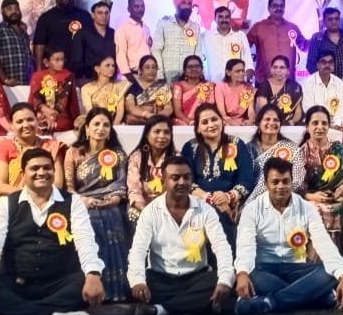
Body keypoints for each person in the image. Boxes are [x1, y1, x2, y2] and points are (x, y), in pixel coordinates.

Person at [0, 148, 104, 315]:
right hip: (18, 283)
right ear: (23, 174)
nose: (41, 172)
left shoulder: (73, 202)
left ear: (54, 172)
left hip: (60, 283)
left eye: (47, 168)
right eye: (34, 168)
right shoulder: (5, 205)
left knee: (87, 283)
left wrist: (93, 275)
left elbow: (85, 240)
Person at [233, 158, 343, 315]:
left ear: (292, 182)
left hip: (297, 269)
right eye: (275, 182)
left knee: (332, 271)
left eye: (285, 181)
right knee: (251, 275)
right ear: (266, 184)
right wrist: (242, 273)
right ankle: (317, 297)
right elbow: (245, 246)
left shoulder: (307, 208)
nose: (281, 186)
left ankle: (269, 302)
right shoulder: (252, 209)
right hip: (265, 270)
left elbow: (324, 243)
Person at [127, 155, 234, 315]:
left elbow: (221, 246)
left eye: (186, 177)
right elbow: (138, 250)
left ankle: (159, 310)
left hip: (196, 278)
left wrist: (224, 281)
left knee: (223, 280)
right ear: (164, 181)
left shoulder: (205, 210)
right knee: (134, 285)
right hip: (161, 280)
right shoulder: (150, 212)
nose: (182, 182)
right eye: (175, 178)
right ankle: (194, 305)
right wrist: (138, 282)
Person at [64, 108, 131, 302]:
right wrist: (83, 200)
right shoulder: (74, 153)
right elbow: (68, 188)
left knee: (115, 216)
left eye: (106, 125)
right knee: (90, 220)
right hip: (82, 203)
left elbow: (122, 182)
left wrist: (115, 198)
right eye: (96, 124)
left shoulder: (118, 154)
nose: (101, 128)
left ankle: (116, 291)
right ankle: (90, 287)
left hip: (112, 204)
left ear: (110, 130)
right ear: (87, 128)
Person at [181, 103, 255, 243]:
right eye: (204, 122)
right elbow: (186, 181)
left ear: (222, 120)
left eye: (214, 119)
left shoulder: (237, 144)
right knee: (213, 212)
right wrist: (210, 199)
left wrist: (228, 196)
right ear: (198, 128)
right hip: (198, 202)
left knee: (224, 216)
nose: (211, 125)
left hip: (230, 203)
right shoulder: (190, 147)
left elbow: (246, 179)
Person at [296, 106, 343, 246]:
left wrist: (338, 195)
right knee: (314, 208)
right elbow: (297, 185)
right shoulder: (301, 152)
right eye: (315, 123)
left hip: (336, 197)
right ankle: (314, 254)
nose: (320, 127)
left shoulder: (338, 149)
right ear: (307, 127)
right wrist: (311, 196)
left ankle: (338, 251)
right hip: (311, 198)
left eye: (324, 123)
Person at [0, 103, 67, 204]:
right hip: (12, 203)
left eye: (30, 119)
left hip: (47, 201)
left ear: (37, 120)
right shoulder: (3, 147)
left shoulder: (52, 146)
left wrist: (39, 199)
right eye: (19, 121)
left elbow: (57, 184)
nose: (26, 125)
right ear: (11, 125)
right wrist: (30, 196)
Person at [33, 0, 93, 77]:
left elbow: (92, 41)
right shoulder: (46, 18)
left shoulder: (85, 16)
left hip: (81, 70)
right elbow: (40, 45)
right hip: (55, 69)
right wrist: (39, 69)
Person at [246, 105, 304, 202]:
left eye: (276, 120)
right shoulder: (248, 149)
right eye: (267, 119)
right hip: (252, 201)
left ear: (280, 124)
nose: (271, 123)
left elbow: (298, 179)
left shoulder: (291, 148)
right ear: (259, 123)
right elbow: (243, 179)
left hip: (283, 199)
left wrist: (278, 193)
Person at [246, 0, 309, 83]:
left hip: (288, 81)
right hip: (264, 80)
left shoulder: (292, 28)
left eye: (281, 6)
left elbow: (305, 47)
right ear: (269, 8)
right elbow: (244, 46)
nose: (279, 8)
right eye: (275, 6)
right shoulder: (259, 27)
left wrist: (318, 38)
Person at [126, 116, 176, 219]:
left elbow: (176, 190)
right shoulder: (136, 157)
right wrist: (145, 210)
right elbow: (134, 188)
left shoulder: (177, 158)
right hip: (142, 206)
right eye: (157, 131)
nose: (162, 136)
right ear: (147, 134)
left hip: (167, 207)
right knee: (133, 213)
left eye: (166, 132)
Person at [152, 0, 203, 82]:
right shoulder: (163, 23)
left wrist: (197, 73)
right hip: (167, 75)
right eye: (183, 3)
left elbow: (198, 52)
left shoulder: (195, 27)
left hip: (189, 76)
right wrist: (159, 74)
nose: (187, 6)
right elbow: (156, 49)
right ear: (176, 5)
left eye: (189, 4)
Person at [0, 0, 33, 88]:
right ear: (2, 11)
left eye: (16, 8)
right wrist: (5, 79)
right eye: (9, 9)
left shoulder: (24, 33)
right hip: (7, 85)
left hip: (26, 84)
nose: (14, 11)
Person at [28, 49, 78, 134]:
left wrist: (52, 116)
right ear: (46, 62)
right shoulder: (37, 76)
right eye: (57, 60)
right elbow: (35, 97)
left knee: (59, 124)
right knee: (36, 124)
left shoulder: (68, 75)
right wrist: (45, 110)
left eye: (62, 59)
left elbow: (65, 100)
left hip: (60, 116)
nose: (61, 63)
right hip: (41, 114)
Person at [305, 7, 343, 78]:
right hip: (326, 83)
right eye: (330, 19)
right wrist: (323, 79)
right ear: (324, 22)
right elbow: (310, 65)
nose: (334, 21)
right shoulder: (317, 41)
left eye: (336, 19)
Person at [202, 5, 253, 82]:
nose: (224, 20)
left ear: (230, 19)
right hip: (213, 84)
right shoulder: (206, 36)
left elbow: (248, 61)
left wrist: (244, 81)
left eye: (227, 17)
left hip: (235, 83)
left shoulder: (240, 35)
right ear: (215, 19)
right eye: (220, 17)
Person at [78, 55, 130, 127]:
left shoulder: (119, 86)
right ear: (97, 69)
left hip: (113, 122)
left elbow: (120, 111)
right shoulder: (87, 88)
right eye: (107, 65)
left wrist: (113, 126)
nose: (111, 68)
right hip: (94, 121)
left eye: (113, 66)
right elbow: (89, 110)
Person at [70, 1, 116, 81]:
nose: (104, 16)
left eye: (106, 13)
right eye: (100, 13)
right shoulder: (82, 34)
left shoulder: (113, 33)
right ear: (93, 15)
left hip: (110, 79)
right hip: (89, 79)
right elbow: (76, 60)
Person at [123, 55, 173, 126]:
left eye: (154, 67)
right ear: (140, 70)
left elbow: (168, 108)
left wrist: (157, 117)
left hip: (158, 120)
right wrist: (147, 115)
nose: (151, 70)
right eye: (147, 67)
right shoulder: (133, 86)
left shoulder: (163, 86)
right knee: (130, 118)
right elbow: (131, 107)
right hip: (138, 120)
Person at [301, 49, 343, 126]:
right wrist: (323, 123)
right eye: (323, 62)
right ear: (317, 65)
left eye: (330, 62)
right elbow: (308, 108)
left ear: (334, 64)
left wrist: (337, 124)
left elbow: (341, 108)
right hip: (315, 122)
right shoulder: (308, 83)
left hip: (336, 122)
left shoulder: (339, 83)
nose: (327, 65)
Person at [254, 56, 304, 125]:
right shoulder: (264, 86)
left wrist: (291, 122)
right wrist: (276, 123)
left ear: (288, 71)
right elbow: (263, 111)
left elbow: (298, 113)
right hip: (269, 123)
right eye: (275, 67)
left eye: (282, 67)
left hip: (289, 125)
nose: (278, 70)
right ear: (271, 69)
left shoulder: (295, 87)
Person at [115, 0, 153, 77]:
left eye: (142, 6)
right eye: (136, 6)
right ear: (129, 9)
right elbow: (120, 55)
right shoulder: (123, 28)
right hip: (132, 75)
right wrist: (129, 76)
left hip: (147, 74)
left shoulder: (146, 28)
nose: (140, 9)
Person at [171, 55, 214, 126]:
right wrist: (190, 122)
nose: (194, 69)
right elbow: (177, 111)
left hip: (205, 121)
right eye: (190, 67)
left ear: (202, 69)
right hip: (184, 122)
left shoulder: (209, 86)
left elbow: (211, 108)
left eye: (197, 66)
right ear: (185, 71)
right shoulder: (178, 86)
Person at [214, 58, 256, 126]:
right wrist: (235, 125)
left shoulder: (248, 88)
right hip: (225, 121)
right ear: (228, 73)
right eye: (237, 71)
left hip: (242, 122)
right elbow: (222, 113)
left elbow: (251, 111)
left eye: (243, 71)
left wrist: (251, 121)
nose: (242, 74)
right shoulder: (220, 87)